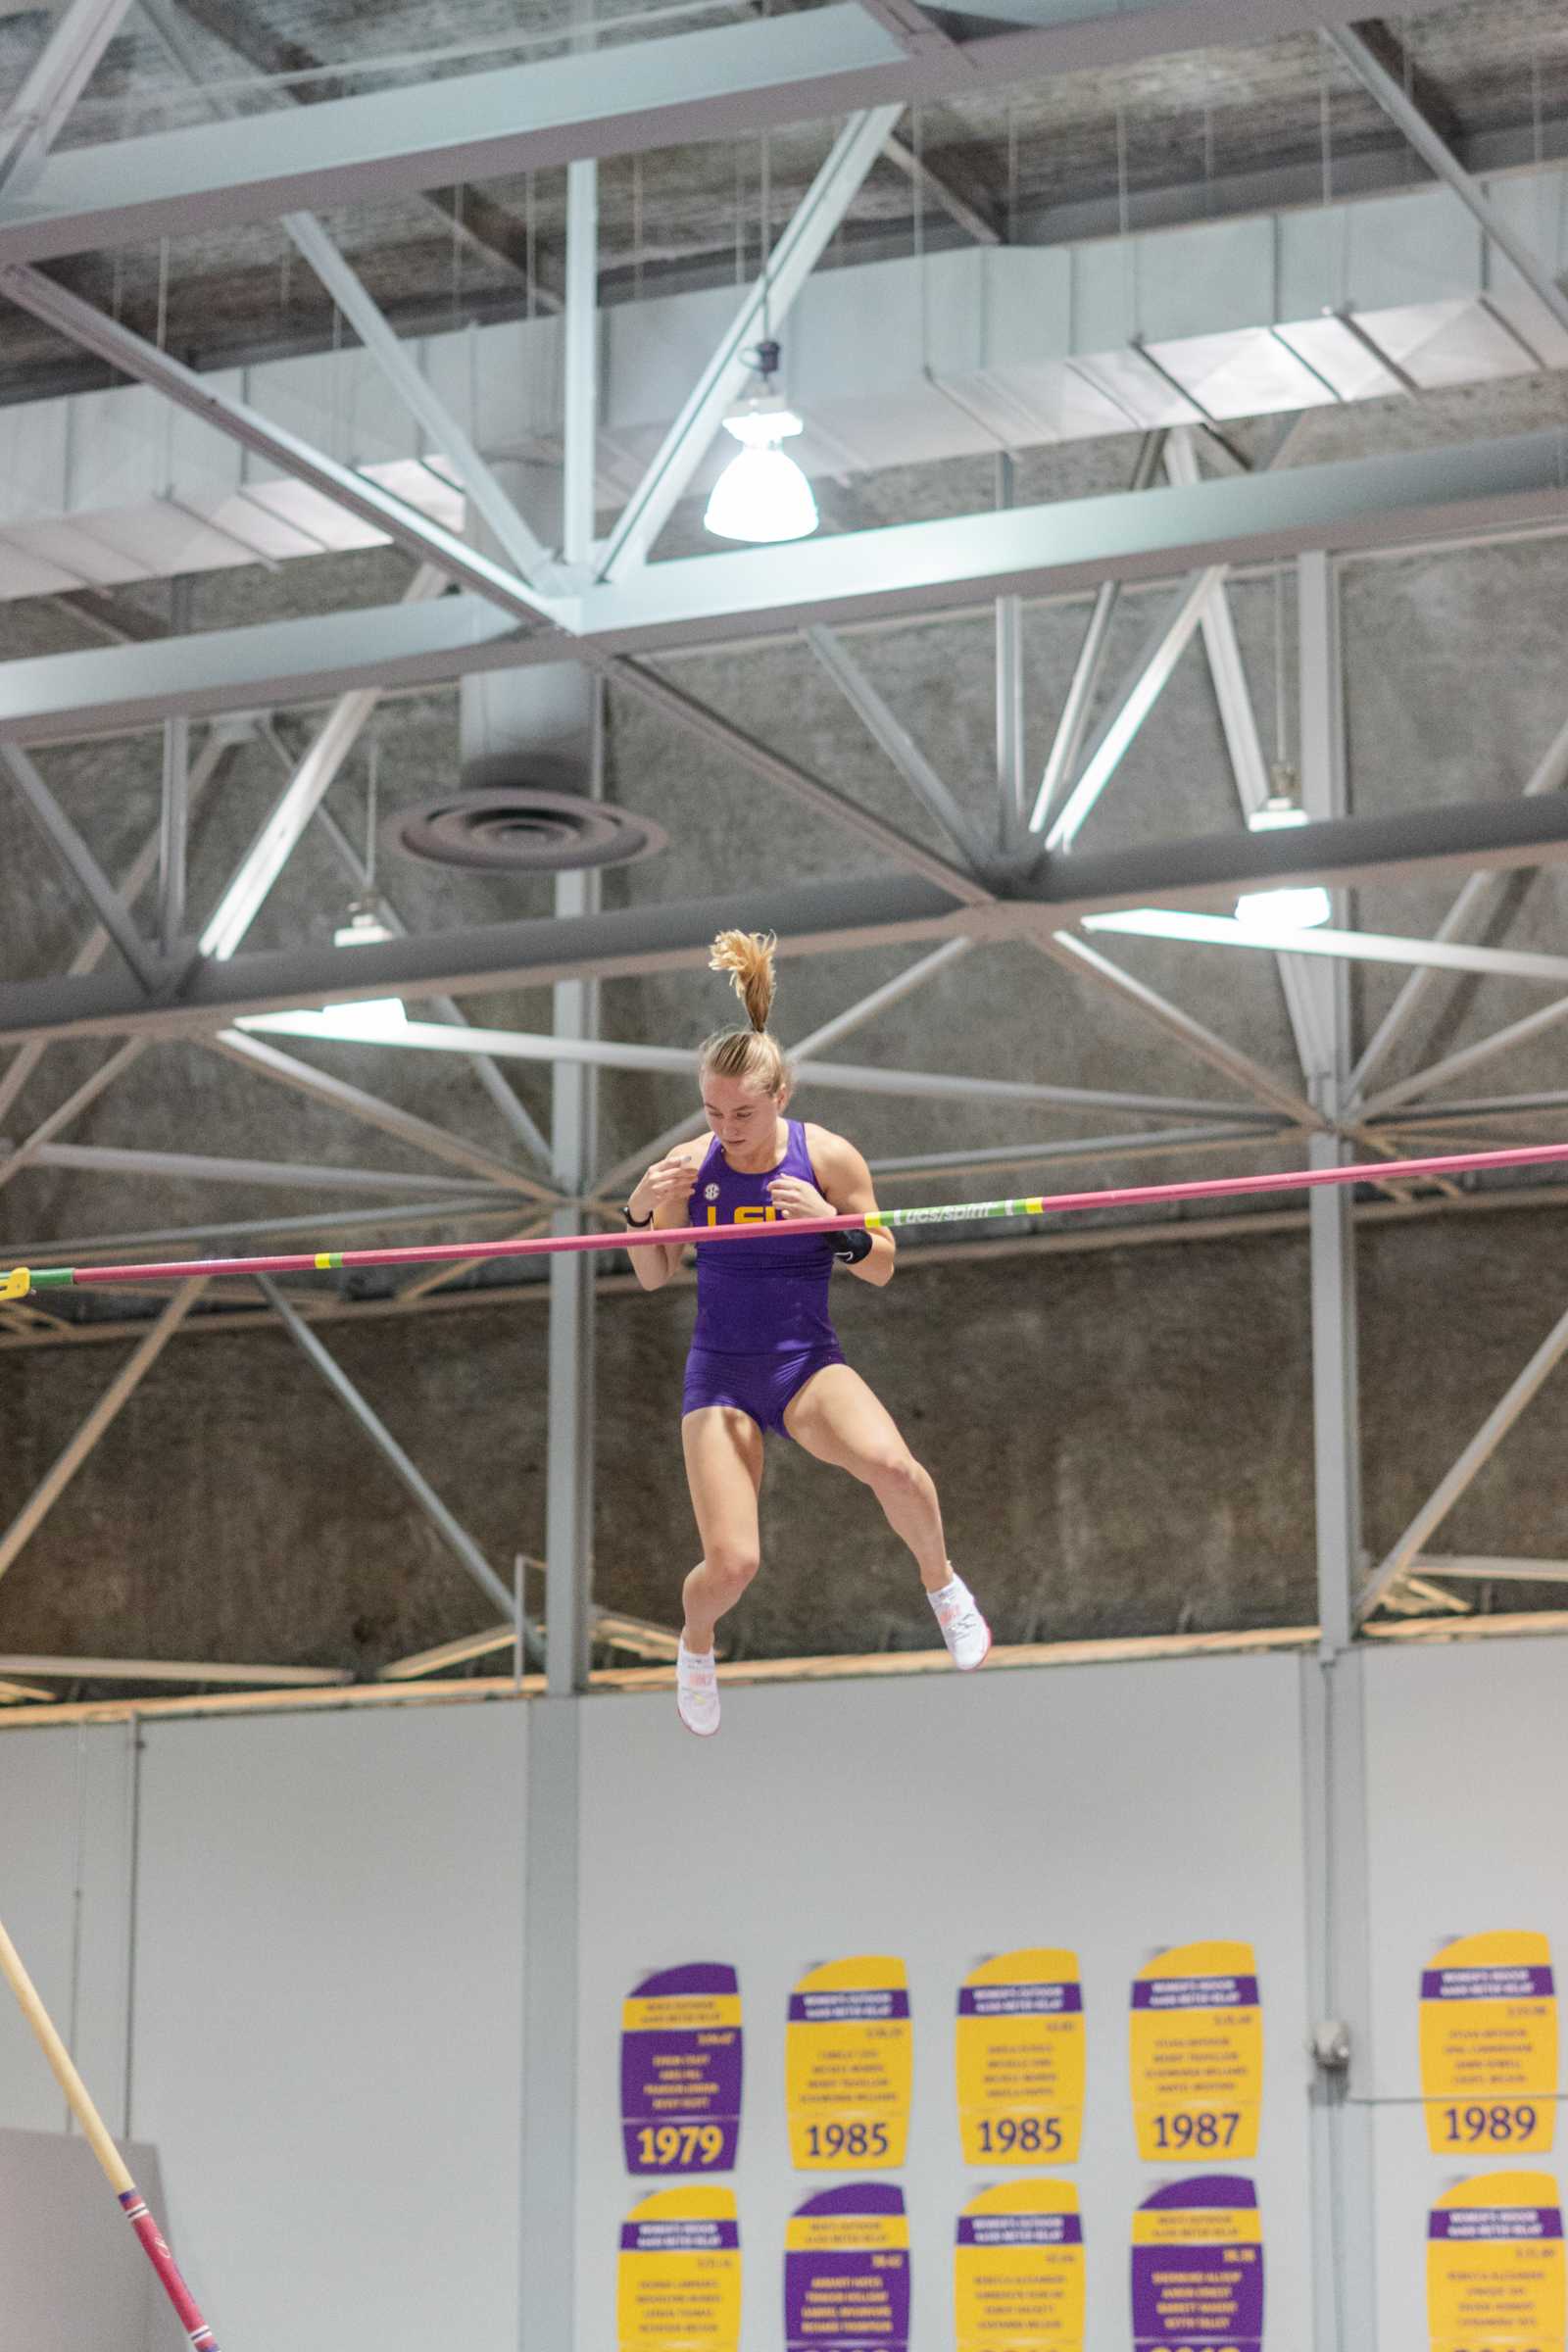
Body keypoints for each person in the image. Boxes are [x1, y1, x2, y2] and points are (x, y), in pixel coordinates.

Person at [624, 929, 990, 1737]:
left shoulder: (826, 1157)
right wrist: (642, 1212)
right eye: (713, 1111)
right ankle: (695, 1645)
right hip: (719, 1374)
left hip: (805, 1366)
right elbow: (653, 1275)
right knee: (734, 1564)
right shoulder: (692, 1164)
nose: (727, 1127)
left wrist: (832, 1224)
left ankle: (941, 1585)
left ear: (780, 1098)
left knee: (894, 1465)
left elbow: (883, 1264)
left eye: (743, 1113)